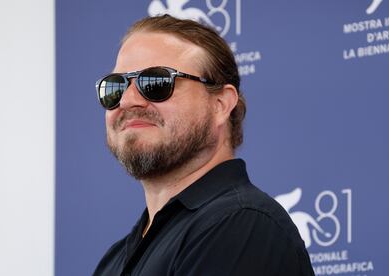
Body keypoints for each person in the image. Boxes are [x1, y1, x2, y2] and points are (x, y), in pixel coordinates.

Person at [93, 14, 315, 276]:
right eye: (115, 87)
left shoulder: (242, 225)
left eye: (157, 83)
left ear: (220, 105)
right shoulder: (115, 259)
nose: (128, 100)